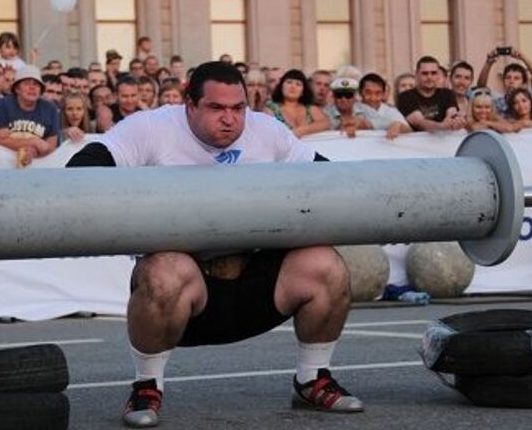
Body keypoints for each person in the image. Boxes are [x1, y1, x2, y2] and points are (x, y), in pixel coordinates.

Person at [66, 61, 361, 428]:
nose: (230, 119)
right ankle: (146, 385)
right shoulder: (152, 127)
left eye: (238, 109)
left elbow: (327, 176)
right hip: (186, 296)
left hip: (259, 285)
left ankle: (312, 378)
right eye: (216, 108)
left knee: (325, 264)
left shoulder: (266, 131)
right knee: (164, 270)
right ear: (190, 104)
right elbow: (83, 167)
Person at [0, 65, 60, 167]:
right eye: (27, 83)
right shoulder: (2, 105)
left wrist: (34, 151)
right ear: (17, 88)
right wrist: (33, 142)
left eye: (36, 84)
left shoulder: (50, 109)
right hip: (3, 164)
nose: (32, 87)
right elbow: (2, 140)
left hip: (40, 165)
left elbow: (50, 146)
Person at [397, 56, 464, 132]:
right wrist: (443, 126)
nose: (429, 77)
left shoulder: (447, 93)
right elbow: (420, 123)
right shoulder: (406, 97)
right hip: (416, 143)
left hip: (446, 142)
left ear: (438, 75)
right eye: (425, 73)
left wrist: (457, 122)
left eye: (433, 73)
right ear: (416, 74)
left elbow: (452, 115)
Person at [476, 47, 532, 114]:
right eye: (508, 78)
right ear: (503, 81)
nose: (511, 81)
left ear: (524, 83)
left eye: (516, 78)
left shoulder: (531, 97)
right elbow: (481, 87)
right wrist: (488, 63)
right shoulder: (498, 101)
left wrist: (523, 57)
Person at [263, 69, 330, 137]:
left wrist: (300, 131)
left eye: (298, 84)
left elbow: (325, 124)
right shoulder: (271, 109)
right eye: (289, 82)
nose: (293, 87)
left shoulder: (310, 108)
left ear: (303, 91)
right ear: (281, 87)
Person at [355, 73, 411, 140]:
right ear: (360, 92)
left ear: (383, 94)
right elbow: (361, 124)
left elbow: (409, 129)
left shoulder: (391, 110)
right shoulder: (352, 109)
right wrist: (390, 123)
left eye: (378, 93)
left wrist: (399, 125)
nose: (373, 98)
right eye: (368, 93)